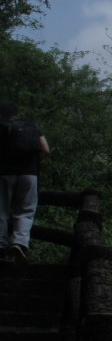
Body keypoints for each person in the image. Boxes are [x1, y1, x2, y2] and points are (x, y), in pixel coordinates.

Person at [0, 103, 49, 265]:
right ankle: (19, 243)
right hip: (29, 173)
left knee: (2, 210)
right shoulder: (31, 126)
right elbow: (45, 150)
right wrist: (35, 165)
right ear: (17, 113)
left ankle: (1, 246)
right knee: (26, 210)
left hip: (4, 173)